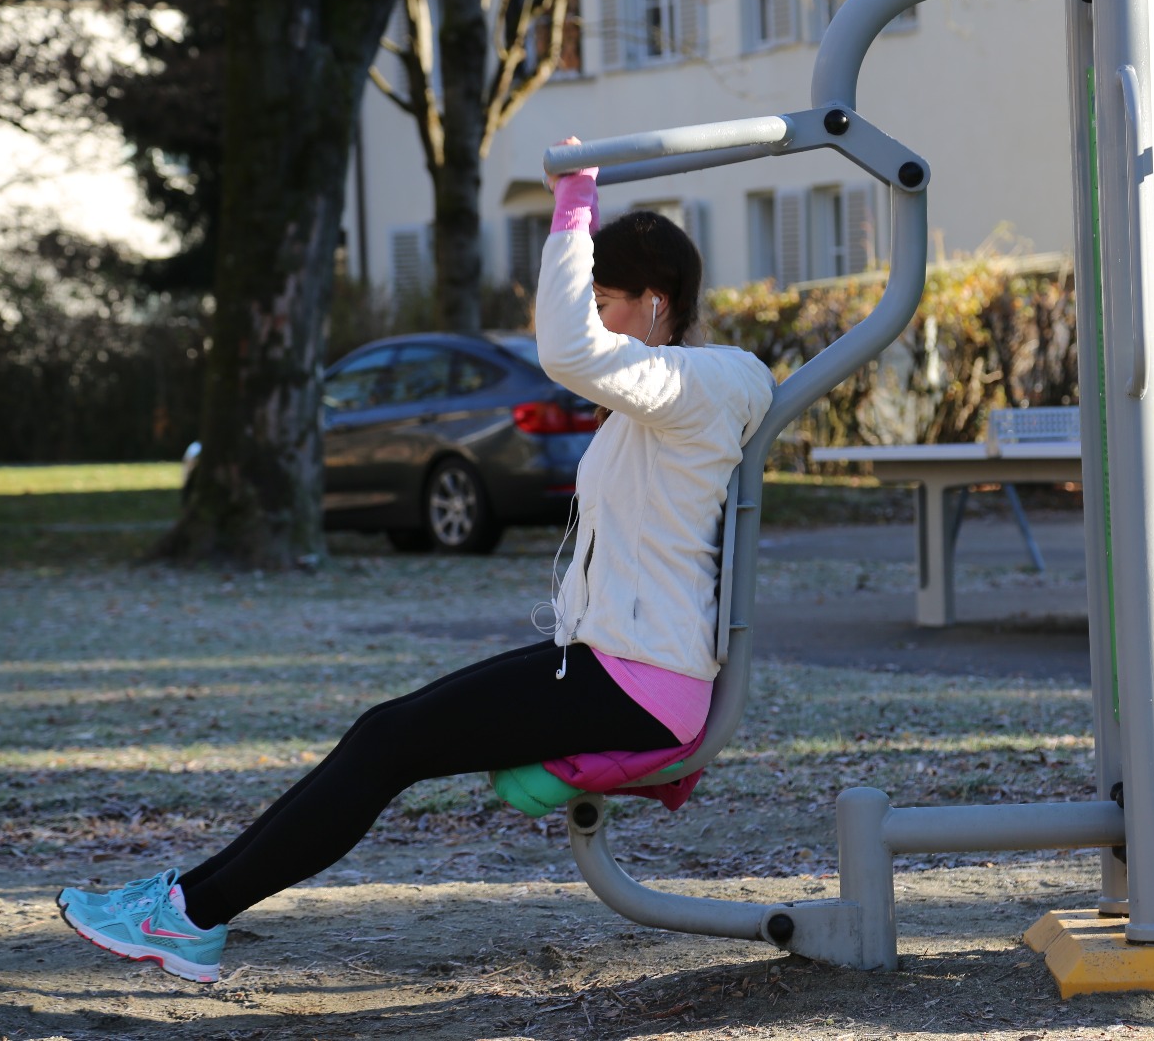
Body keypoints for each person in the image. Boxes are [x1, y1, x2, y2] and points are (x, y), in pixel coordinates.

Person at [54, 141, 777, 984]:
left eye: (608, 303)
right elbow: (585, 352)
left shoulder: (705, 382)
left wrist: (574, 201)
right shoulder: (669, 392)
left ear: (655, 303)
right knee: (384, 736)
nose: (597, 320)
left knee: (389, 740)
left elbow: (570, 351)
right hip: (615, 665)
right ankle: (182, 904)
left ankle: (188, 917)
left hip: (641, 681)